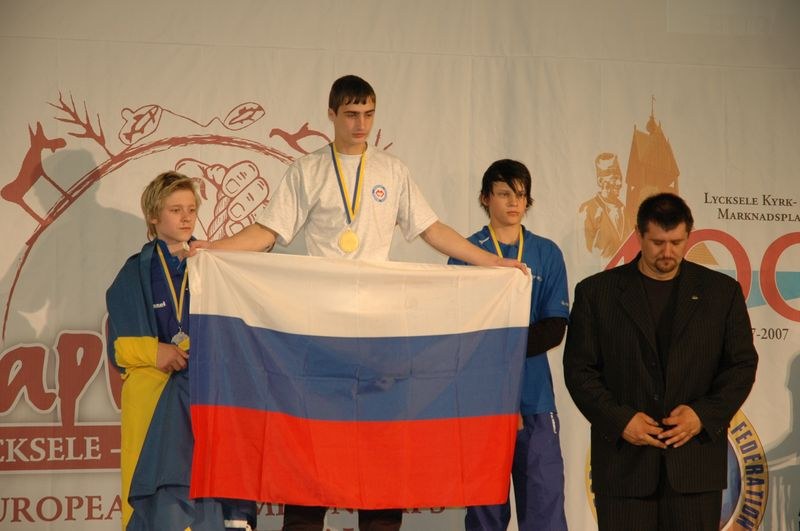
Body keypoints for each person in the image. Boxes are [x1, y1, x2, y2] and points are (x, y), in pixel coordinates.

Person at [191, 75, 525, 530]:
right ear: (331, 115)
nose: (361, 124)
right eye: (351, 114)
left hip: (379, 334)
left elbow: (432, 230)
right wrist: (216, 249)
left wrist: (491, 263)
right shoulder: (306, 171)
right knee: (309, 454)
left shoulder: (392, 171)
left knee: (381, 457)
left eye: (368, 114)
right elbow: (268, 233)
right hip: (318, 334)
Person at [563, 192, 758, 530]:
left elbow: (741, 367)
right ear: (639, 235)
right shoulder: (597, 293)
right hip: (624, 471)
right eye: (657, 242)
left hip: (695, 469)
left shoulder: (721, 293)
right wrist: (621, 420)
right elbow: (579, 371)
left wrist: (701, 415)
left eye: (676, 242)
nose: (667, 252)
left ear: (688, 236)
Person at [106, 171, 257, 530]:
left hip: (208, 397)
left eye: (191, 209)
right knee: (164, 506)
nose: (187, 217)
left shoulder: (218, 263)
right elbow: (118, 346)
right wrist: (153, 351)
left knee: (213, 500)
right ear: (154, 216)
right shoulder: (134, 273)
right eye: (175, 210)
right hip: (156, 400)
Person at [447, 159, 569, 531]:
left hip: (534, 400)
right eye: (503, 194)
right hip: (483, 402)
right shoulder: (466, 253)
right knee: (485, 514)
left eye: (520, 195)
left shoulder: (546, 252)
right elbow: (456, 329)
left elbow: (553, 328)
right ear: (486, 198)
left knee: (544, 510)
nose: (513, 202)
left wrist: (500, 343)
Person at [577, 152, 630, 258]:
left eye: (619, 177)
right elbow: (583, 254)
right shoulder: (588, 209)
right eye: (614, 178)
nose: (619, 183)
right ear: (601, 181)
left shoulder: (625, 210)